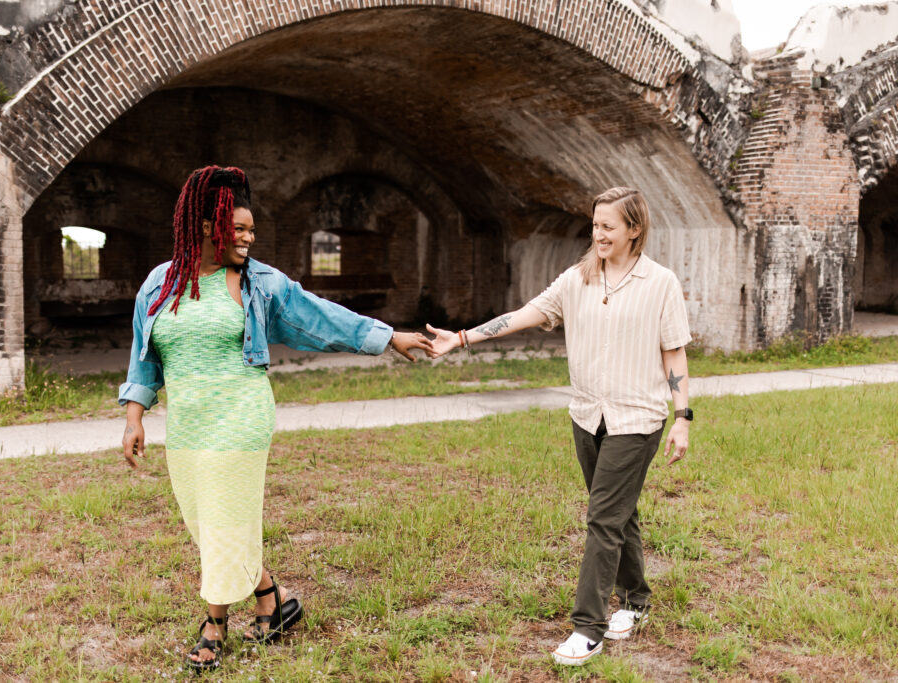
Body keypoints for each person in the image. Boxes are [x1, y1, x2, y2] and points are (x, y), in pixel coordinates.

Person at [118, 165, 432, 670]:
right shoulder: (161, 282)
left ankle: (213, 626)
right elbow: (144, 357)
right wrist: (135, 417)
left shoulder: (258, 282)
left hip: (241, 413)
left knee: (222, 516)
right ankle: (273, 600)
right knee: (208, 521)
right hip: (189, 422)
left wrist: (387, 337)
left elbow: (319, 315)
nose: (247, 238)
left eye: (251, 231)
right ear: (205, 226)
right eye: (238, 229)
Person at [426, 187, 691, 666]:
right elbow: (525, 314)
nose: (598, 234)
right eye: (595, 225)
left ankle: (588, 627)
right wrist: (463, 337)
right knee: (618, 512)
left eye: (608, 226)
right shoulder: (578, 279)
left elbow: (673, 350)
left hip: (638, 418)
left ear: (634, 229)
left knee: (603, 519)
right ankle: (636, 600)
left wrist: (683, 417)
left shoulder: (661, 283)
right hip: (588, 415)